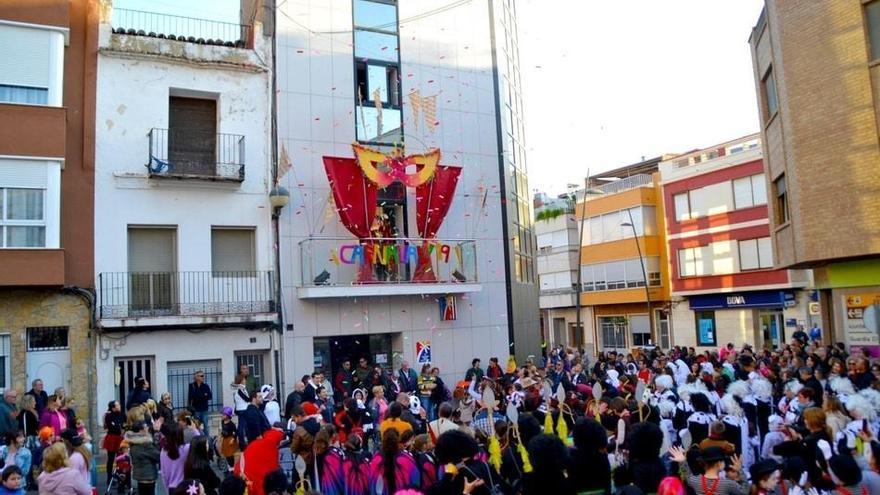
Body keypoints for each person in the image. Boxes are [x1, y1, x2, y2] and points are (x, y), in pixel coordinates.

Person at [669, 446, 748, 495]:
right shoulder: (728, 484)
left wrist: (682, 461)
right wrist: (740, 470)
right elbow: (745, 491)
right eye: (723, 461)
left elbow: (687, 475)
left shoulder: (695, 481)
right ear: (719, 463)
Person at [369, 428, 420, 495]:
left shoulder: (376, 458)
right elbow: (416, 480)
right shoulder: (406, 458)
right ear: (398, 440)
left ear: (383, 440)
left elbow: (371, 481)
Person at [233, 428, 283, 495]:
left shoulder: (254, 443)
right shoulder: (272, 448)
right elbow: (273, 469)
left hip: (247, 481)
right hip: (262, 485)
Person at [126, 421, 160, 495]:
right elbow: (158, 456)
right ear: (141, 430)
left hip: (139, 474)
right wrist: (157, 436)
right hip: (148, 475)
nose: (147, 428)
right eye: (145, 427)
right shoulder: (146, 444)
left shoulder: (133, 442)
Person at [102, 400, 126, 486]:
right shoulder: (108, 415)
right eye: (118, 405)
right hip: (112, 438)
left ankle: (122, 478)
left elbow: (125, 425)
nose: (119, 406)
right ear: (113, 408)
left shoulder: (122, 414)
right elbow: (112, 427)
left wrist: (121, 426)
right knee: (111, 459)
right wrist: (119, 426)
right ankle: (109, 477)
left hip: (120, 438)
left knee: (121, 459)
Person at [161, 423, 190, 491]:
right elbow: (201, 443)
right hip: (185, 485)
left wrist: (167, 488)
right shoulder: (186, 448)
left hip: (172, 487)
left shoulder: (164, 451)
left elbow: (164, 473)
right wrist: (195, 429)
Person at [187, 371, 213, 438]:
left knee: (206, 427)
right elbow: (191, 397)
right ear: (196, 377)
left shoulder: (205, 386)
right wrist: (204, 395)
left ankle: (208, 441)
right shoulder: (192, 386)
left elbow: (210, 396)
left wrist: (200, 395)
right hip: (196, 410)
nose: (203, 377)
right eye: (201, 376)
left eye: (203, 376)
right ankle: (197, 440)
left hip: (204, 409)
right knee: (196, 426)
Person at [219, 407, 238, 472]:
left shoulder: (231, 424)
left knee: (230, 454)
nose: (222, 416)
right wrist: (221, 435)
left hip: (230, 439)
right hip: (225, 439)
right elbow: (223, 430)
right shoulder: (222, 422)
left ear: (228, 416)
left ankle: (232, 466)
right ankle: (229, 464)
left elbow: (235, 432)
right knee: (226, 452)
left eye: (224, 415)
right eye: (222, 414)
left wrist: (233, 439)